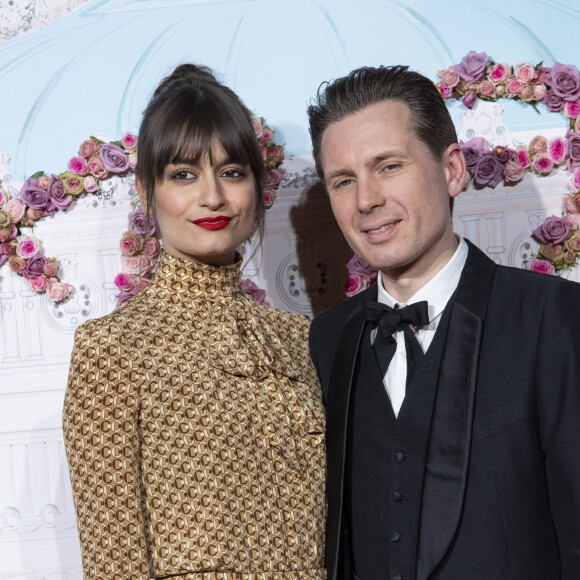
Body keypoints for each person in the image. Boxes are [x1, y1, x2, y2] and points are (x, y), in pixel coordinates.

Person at [307, 65, 580, 580]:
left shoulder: (553, 319)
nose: (366, 200)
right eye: (344, 181)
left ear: (452, 168)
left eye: (388, 166)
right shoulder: (327, 339)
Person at [63, 64, 326, 579]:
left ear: (256, 187)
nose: (213, 197)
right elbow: (114, 564)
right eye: (183, 175)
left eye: (232, 172)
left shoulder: (300, 339)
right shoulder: (112, 350)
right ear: (146, 192)